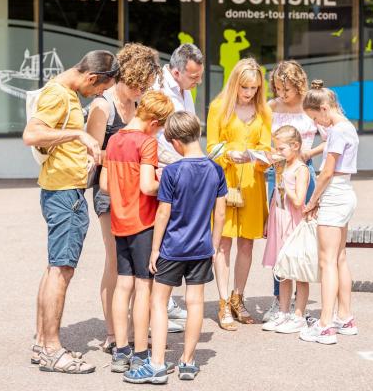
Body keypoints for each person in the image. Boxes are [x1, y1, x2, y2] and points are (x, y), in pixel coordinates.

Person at [22, 50, 118, 374]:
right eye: (101, 89)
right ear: (91, 78)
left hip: (63, 190)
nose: (100, 95)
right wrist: (79, 134)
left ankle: (41, 343)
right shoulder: (58, 94)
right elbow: (31, 135)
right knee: (61, 271)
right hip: (64, 194)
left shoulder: (67, 94)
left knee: (55, 269)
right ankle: (51, 348)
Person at [124, 111, 227, 384]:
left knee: (158, 302)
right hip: (201, 247)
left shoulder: (172, 172)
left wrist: (155, 249)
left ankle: (156, 364)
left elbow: (163, 214)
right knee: (195, 304)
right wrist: (214, 244)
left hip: (172, 246)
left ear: (176, 143)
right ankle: (188, 361)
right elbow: (221, 214)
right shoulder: (216, 170)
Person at [85, 43, 162, 353]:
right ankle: (113, 332)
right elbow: (89, 152)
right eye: (135, 85)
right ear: (124, 76)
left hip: (138, 192)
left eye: (143, 87)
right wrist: (125, 156)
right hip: (110, 190)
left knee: (136, 265)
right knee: (116, 261)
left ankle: (133, 328)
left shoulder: (138, 102)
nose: (139, 91)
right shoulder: (103, 106)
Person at [99, 91, 174, 373]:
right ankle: (141, 352)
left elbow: (105, 184)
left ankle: (121, 350)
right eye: (162, 126)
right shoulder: (147, 143)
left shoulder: (115, 139)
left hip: (119, 220)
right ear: (154, 121)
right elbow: (147, 187)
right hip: (143, 222)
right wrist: (164, 178)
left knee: (123, 284)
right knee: (144, 287)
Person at [207, 57, 271, 330]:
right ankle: (223, 302)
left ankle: (238, 297)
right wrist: (228, 154)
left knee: (247, 243)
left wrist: (259, 158)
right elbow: (210, 147)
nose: (249, 93)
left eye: (254, 88)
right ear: (235, 84)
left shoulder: (264, 112)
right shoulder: (218, 108)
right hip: (225, 182)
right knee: (222, 243)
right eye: (245, 87)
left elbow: (267, 149)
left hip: (253, 185)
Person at [263, 60, 324, 322]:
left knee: (302, 234)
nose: (281, 94)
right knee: (279, 234)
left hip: (304, 170)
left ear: (298, 85)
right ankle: (280, 300)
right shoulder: (270, 107)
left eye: (286, 89)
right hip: (277, 172)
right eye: (277, 88)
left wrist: (311, 151)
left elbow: (331, 136)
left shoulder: (308, 105)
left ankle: (299, 302)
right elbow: (262, 139)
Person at [300, 80, 359, 345]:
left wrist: (312, 201)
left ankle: (325, 325)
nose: (318, 124)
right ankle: (344, 317)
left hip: (334, 194)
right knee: (340, 258)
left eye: (316, 118)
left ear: (324, 108)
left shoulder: (336, 131)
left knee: (327, 261)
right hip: (345, 192)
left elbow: (326, 172)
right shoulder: (347, 127)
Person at [153, 43, 205, 327]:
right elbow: (159, 138)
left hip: (182, 167)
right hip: (167, 169)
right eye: (194, 76)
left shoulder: (186, 91)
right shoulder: (159, 90)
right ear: (176, 71)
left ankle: (167, 302)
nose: (198, 81)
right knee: (166, 237)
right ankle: (160, 305)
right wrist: (182, 162)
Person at [261, 126, 310, 334]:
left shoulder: (301, 170)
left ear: (295, 146)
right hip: (278, 220)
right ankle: (283, 312)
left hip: (293, 223)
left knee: (298, 270)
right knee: (282, 270)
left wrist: (283, 183)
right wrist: (267, 220)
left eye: (281, 149)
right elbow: (275, 197)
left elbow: (299, 200)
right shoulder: (282, 168)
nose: (277, 152)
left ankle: (298, 315)